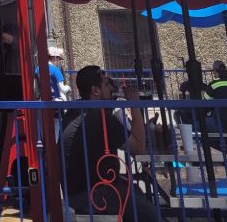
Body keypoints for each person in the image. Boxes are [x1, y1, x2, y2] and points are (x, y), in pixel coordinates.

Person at [61, 64, 157, 221]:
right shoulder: (99, 117)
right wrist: (133, 103)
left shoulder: (76, 111)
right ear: (96, 91)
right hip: (93, 195)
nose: (112, 88)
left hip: (77, 192)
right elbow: (139, 148)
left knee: (133, 190)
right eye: (106, 84)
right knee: (151, 215)